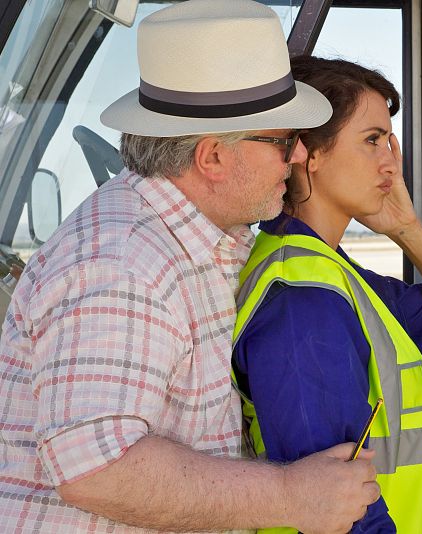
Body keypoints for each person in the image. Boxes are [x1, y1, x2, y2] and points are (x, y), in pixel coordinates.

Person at [0, 1, 380, 532]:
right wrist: (291, 495)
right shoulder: (123, 265)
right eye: (282, 141)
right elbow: (96, 468)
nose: (296, 158)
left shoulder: (192, 240)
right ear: (212, 158)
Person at [232, 56, 422, 533]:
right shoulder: (303, 304)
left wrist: (405, 228)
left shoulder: (330, 275)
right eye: (372, 140)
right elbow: (340, 512)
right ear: (309, 152)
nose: (391, 163)